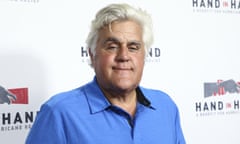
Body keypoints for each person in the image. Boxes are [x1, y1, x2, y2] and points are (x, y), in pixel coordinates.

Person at [26, 3, 186, 144]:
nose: (124, 56)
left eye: (133, 47)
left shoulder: (165, 107)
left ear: (144, 55)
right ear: (92, 54)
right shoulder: (59, 114)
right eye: (112, 46)